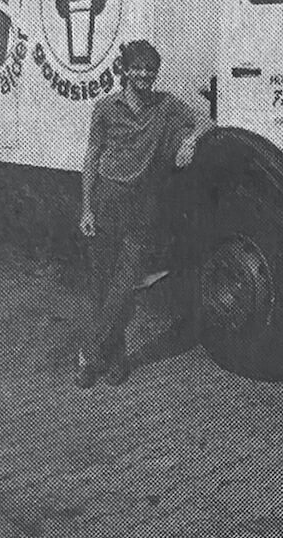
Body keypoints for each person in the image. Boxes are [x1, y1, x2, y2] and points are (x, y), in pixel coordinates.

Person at [77, 40, 211, 388]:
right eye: (137, 68)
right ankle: (116, 355)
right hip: (107, 198)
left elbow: (206, 119)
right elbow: (92, 157)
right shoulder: (105, 108)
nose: (144, 75)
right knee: (101, 286)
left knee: (124, 285)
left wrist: (190, 140)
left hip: (141, 206)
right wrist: (87, 208)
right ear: (124, 70)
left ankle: (89, 352)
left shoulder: (164, 105)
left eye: (150, 69)